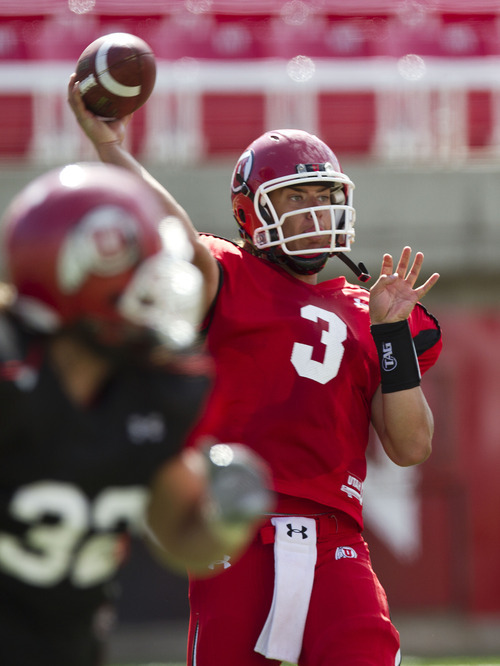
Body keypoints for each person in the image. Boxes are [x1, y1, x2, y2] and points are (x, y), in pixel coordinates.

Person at [68, 75, 442, 666]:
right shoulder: (229, 274)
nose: (316, 210)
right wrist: (112, 150)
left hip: (335, 541)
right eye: (297, 198)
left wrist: (392, 335)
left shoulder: (370, 311)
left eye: (324, 195)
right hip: (231, 527)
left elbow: (412, 445)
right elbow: (170, 234)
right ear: (251, 211)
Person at [0, 161, 273, 666]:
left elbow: (182, 539)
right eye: (141, 269)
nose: (162, 287)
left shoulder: (150, 390)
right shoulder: (12, 375)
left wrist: (226, 519)